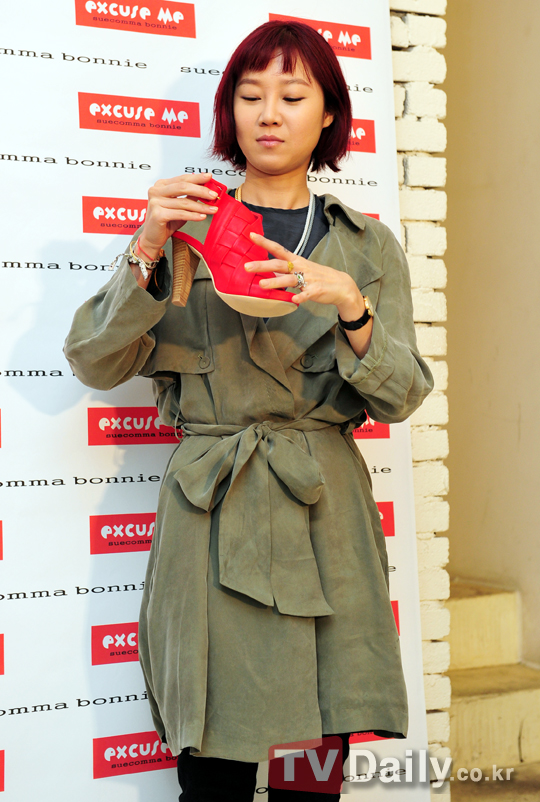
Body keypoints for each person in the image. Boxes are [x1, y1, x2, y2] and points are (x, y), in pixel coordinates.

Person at [64, 20, 434, 802]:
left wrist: (352, 307)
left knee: (311, 769)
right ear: (229, 112)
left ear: (328, 114)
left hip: (323, 517)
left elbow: (401, 396)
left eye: (293, 96)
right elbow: (95, 360)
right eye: (250, 94)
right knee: (212, 765)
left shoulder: (365, 248)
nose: (269, 113)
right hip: (213, 510)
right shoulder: (184, 230)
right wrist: (146, 246)